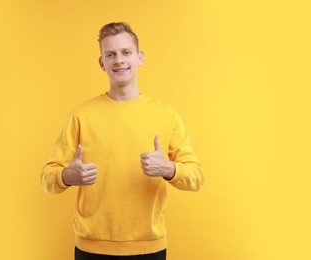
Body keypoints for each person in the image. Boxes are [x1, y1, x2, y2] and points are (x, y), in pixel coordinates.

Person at [40, 22, 203, 260]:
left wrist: (168, 169)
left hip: (149, 249)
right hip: (91, 250)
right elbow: (46, 176)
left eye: (126, 52)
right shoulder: (80, 115)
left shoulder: (167, 115)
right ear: (101, 63)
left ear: (140, 58)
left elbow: (196, 177)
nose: (119, 60)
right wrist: (66, 176)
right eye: (110, 54)